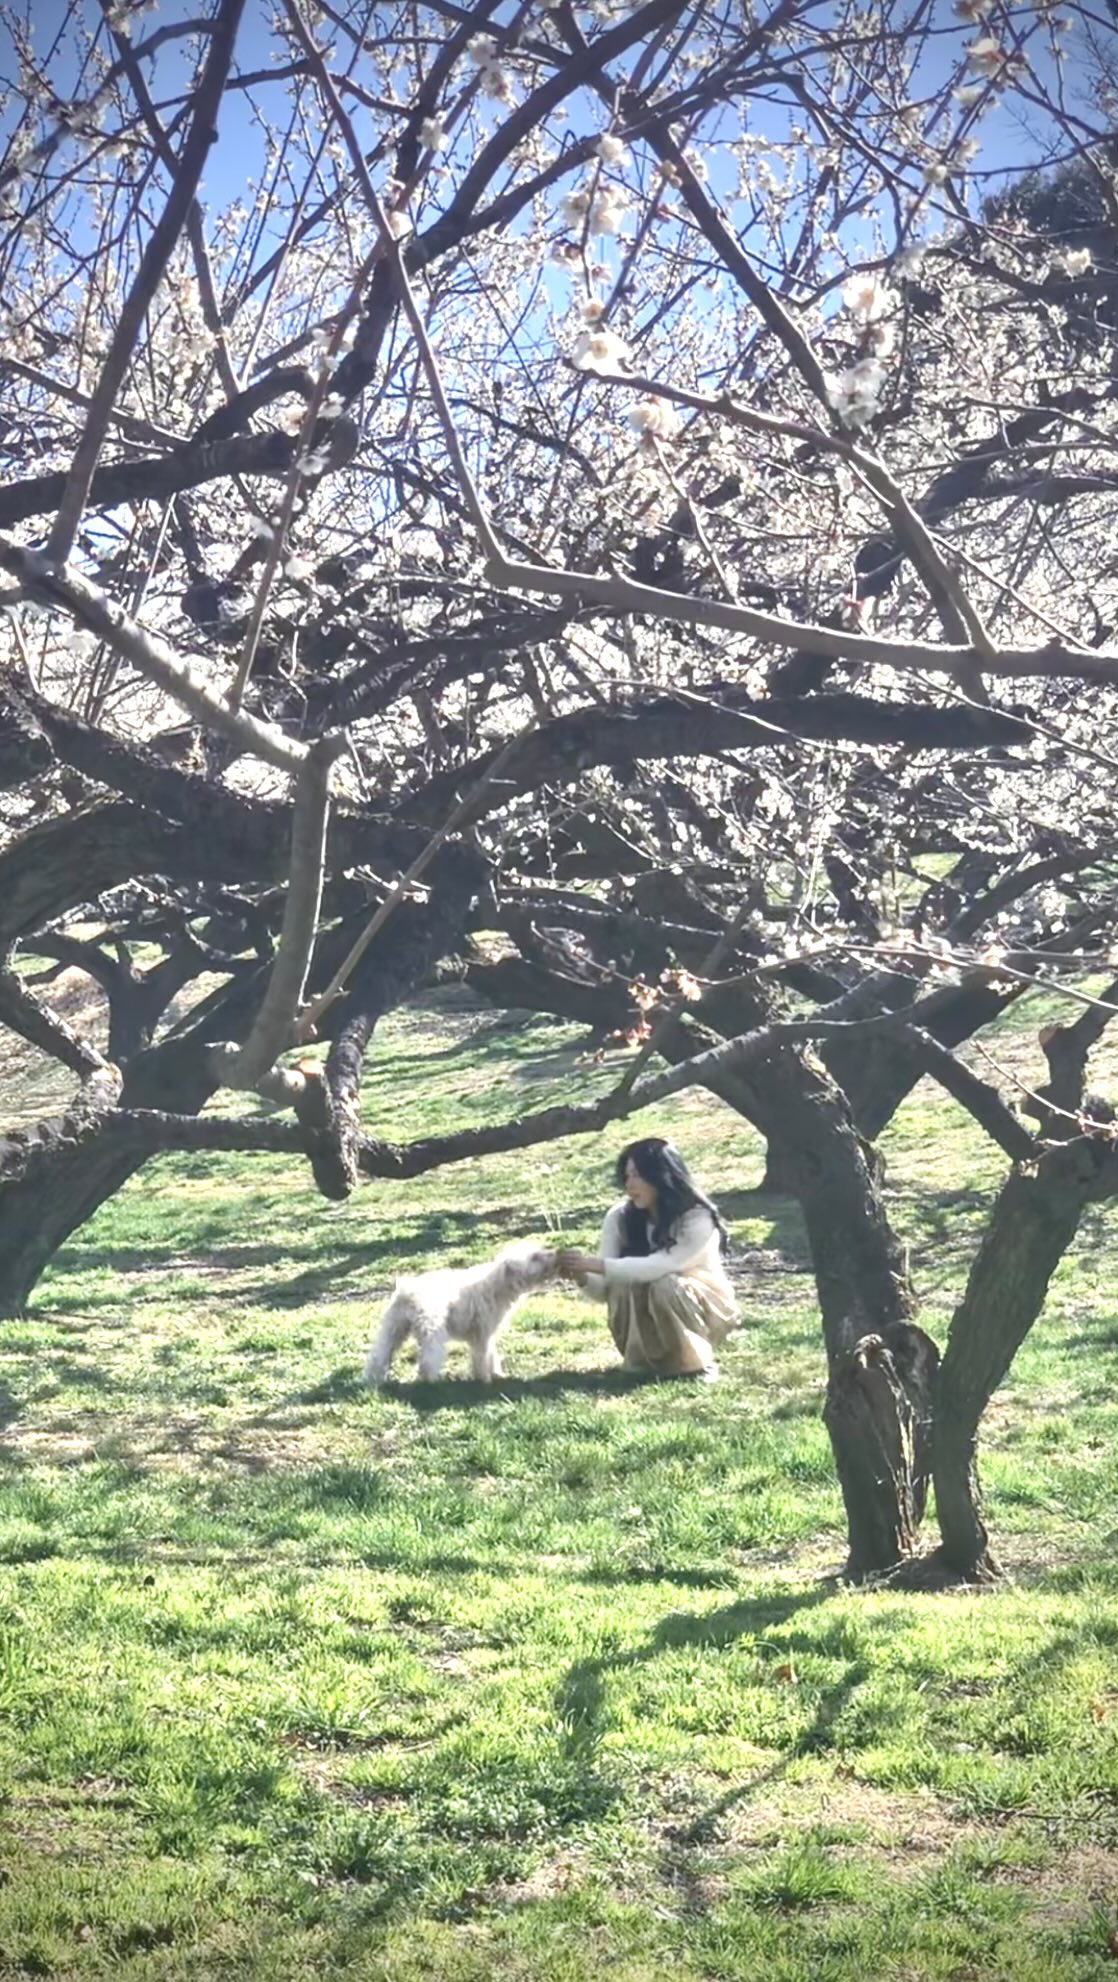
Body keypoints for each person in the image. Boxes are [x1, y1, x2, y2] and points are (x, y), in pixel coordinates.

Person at [557, 1137, 738, 1379]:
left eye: (638, 1176)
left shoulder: (697, 1217)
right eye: (627, 1176)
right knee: (622, 1280)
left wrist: (596, 1265)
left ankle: (694, 1366)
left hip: (706, 1312)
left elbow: (664, 1265)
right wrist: (581, 1275)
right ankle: (639, 1364)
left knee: (665, 1283)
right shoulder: (619, 1217)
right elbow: (604, 1291)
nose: (630, 1185)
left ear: (661, 1176)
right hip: (645, 1318)